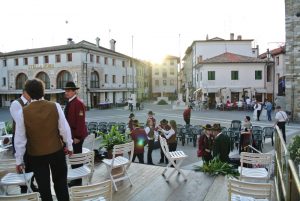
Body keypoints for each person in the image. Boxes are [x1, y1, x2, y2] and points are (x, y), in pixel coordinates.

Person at [14, 78, 73, 201]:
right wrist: (70, 146)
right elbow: (65, 130)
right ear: (43, 91)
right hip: (56, 151)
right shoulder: (55, 106)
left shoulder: (22, 113)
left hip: (36, 155)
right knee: (61, 184)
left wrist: (19, 160)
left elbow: (20, 139)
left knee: (44, 187)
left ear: (28, 93)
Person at [10, 90, 38, 193]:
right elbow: (20, 121)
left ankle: (31, 184)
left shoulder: (32, 102)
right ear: (24, 92)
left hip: (30, 138)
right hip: (19, 137)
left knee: (31, 162)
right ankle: (23, 188)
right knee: (22, 162)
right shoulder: (16, 104)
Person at [63, 81, 88, 186]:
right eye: (66, 90)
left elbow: (80, 121)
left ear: (74, 91)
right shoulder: (70, 102)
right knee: (73, 158)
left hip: (76, 137)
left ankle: (78, 182)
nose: (66, 92)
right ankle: (76, 180)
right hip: (72, 136)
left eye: (68, 91)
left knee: (77, 159)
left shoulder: (78, 103)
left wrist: (77, 136)